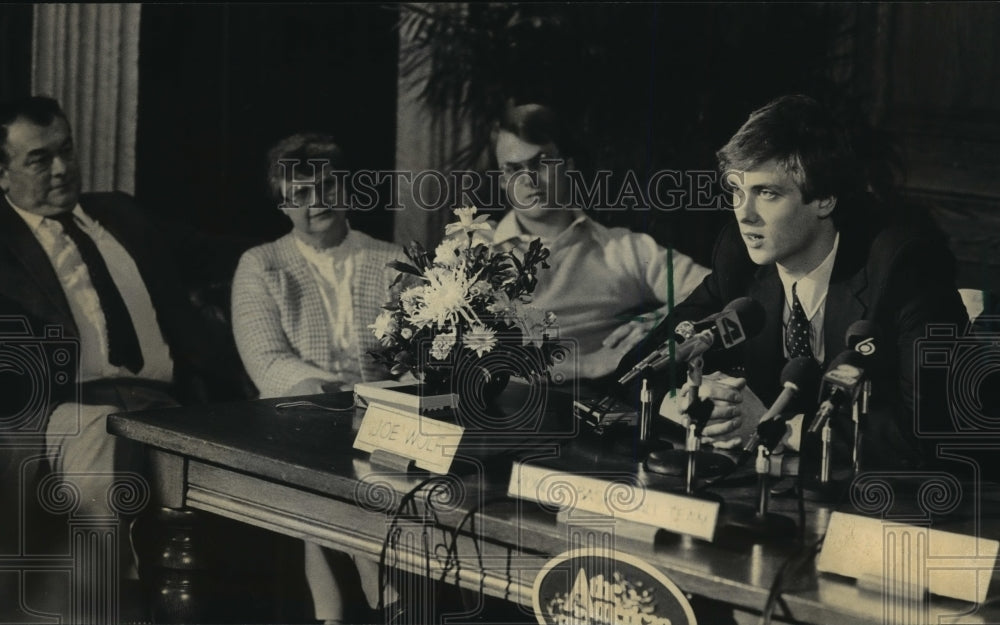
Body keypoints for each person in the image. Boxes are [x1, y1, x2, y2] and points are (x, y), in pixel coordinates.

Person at [622, 94, 968, 467]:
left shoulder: (904, 267)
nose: (745, 215)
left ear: (824, 200)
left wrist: (779, 427)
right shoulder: (740, 258)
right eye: (737, 191)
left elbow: (935, 434)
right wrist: (691, 402)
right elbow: (638, 372)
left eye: (766, 193)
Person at [0, 96, 229, 614]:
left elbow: (212, 251)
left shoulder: (118, 213)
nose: (61, 169)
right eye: (39, 159)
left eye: (67, 150)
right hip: (70, 410)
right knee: (103, 448)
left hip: (173, 409)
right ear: (2, 172)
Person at [231, 133, 400, 623]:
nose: (316, 202)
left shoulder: (393, 260)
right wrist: (342, 396)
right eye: (299, 194)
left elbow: (418, 354)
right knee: (327, 452)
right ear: (281, 204)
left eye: (327, 185)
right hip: (297, 412)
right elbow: (267, 363)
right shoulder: (261, 265)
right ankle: (382, 597)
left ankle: (336, 614)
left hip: (383, 415)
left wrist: (378, 393)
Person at [490, 104, 710, 381]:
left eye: (542, 162)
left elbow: (713, 289)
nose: (528, 179)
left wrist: (662, 322)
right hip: (508, 405)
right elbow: (465, 354)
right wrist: (588, 365)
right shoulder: (475, 254)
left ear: (567, 166)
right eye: (513, 169)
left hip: (603, 407)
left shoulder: (622, 248)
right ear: (501, 180)